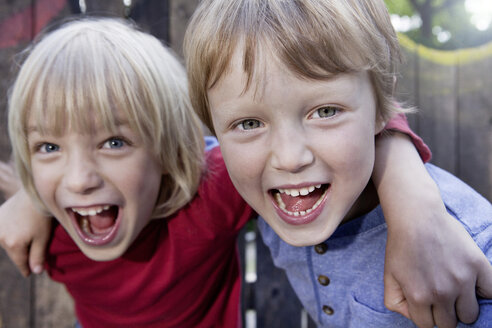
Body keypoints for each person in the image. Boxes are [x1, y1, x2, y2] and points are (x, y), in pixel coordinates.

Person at [0, 13, 489, 328]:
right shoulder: (47, 228)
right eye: (48, 147)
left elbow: (372, 106)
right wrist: (30, 196)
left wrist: (415, 205)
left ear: (174, 149)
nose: (79, 178)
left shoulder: (218, 189)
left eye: (114, 142)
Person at [183, 0, 492, 327]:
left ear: (381, 110)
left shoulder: (464, 255)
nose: (289, 159)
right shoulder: (267, 195)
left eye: (325, 112)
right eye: (249, 124)